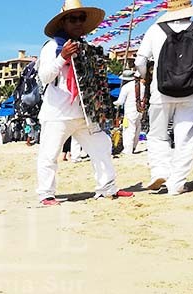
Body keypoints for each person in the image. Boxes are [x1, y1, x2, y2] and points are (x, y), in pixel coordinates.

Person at [36, 0, 133, 206]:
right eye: (73, 18)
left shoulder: (86, 48)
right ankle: (46, 194)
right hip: (57, 113)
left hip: (85, 112)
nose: (79, 23)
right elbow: (44, 77)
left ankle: (107, 188)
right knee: (49, 153)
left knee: (102, 147)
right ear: (63, 22)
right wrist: (62, 57)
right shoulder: (52, 47)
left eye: (82, 18)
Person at [135, 0, 193, 194]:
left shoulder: (155, 30)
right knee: (185, 138)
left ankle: (160, 170)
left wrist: (145, 78)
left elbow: (140, 61)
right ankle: (176, 184)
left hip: (161, 92)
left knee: (157, 135)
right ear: (189, 10)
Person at [113, 70, 146, 155]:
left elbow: (120, 101)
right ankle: (134, 147)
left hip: (130, 112)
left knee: (129, 130)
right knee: (137, 128)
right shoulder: (142, 86)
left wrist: (114, 103)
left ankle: (128, 150)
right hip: (140, 110)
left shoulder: (126, 87)